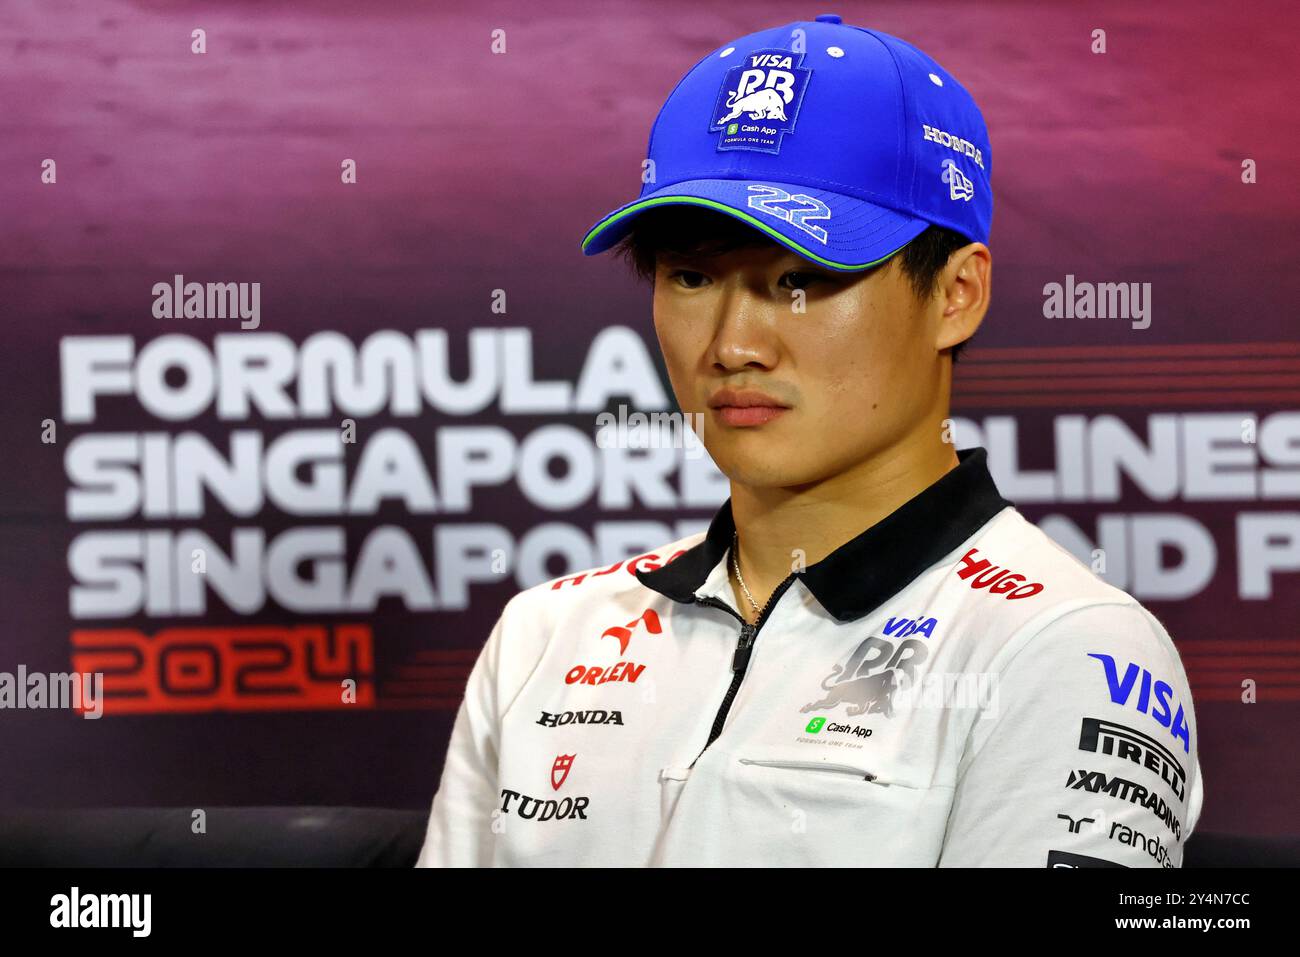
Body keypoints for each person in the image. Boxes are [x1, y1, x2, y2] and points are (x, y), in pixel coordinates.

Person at [417, 15, 1201, 867]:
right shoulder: (547, 632)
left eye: (802, 277)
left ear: (957, 294)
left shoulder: (1063, 645)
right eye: (691, 275)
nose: (733, 342)